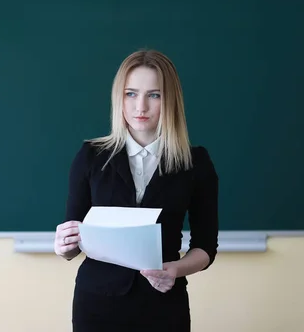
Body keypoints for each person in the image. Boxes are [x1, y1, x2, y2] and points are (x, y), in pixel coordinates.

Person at [54, 49, 219, 332]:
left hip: (164, 305)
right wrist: (63, 246)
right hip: (97, 306)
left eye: (154, 95)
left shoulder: (195, 163)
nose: (140, 107)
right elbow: (74, 240)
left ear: (170, 101)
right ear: (119, 97)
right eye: (131, 94)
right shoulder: (91, 157)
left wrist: (175, 270)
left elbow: (205, 247)